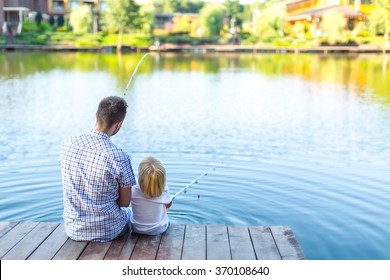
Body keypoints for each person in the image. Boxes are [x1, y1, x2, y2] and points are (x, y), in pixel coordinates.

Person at [60, 96, 136, 242]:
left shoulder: (66, 144)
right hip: (109, 231)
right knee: (130, 213)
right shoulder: (120, 156)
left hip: (74, 229)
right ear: (119, 124)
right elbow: (124, 202)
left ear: (96, 114)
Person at [130, 156, 172, 235]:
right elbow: (169, 204)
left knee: (128, 212)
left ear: (140, 175)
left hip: (137, 229)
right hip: (159, 229)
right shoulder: (163, 188)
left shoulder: (132, 187)